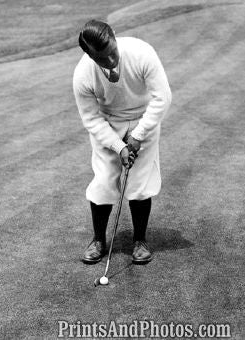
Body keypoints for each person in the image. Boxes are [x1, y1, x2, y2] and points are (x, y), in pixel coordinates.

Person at [73, 19, 171, 265]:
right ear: (90, 56)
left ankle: (139, 241)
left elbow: (163, 98)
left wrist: (138, 135)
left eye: (111, 53)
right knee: (104, 181)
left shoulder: (142, 53)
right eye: (101, 59)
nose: (110, 61)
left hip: (143, 119)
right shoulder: (83, 74)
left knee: (139, 183)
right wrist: (119, 146)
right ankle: (98, 240)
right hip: (108, 124)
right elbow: (91, 119)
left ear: (115, 36)